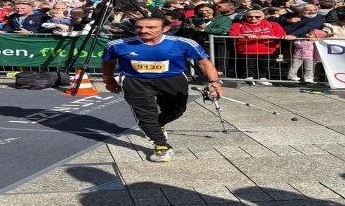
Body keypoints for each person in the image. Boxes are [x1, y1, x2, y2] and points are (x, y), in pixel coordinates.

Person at [101, 17, 223, 163]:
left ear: (165, 28)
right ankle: (161, 145)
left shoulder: (183, 43)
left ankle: (159, 124)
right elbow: (108, 62)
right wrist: (108, 80)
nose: (144, 31)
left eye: (151, 27)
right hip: (135, 81)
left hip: (173, 79)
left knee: (176, 110)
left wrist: (214, 83)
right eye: (139, 27)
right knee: (146, 115)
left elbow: (203, 62)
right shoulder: (116, 45)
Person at [228, 9, 286, 86]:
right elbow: (232, 34)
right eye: (250, 16)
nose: (253, 18)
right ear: (246, 17)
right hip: (246, 49)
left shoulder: (272, 24)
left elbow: (281, 34)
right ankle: (248, 77)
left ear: (262, 17)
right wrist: (244, 35)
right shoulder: (238, 24)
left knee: (264, 65)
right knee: (248, 65)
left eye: (257, 16)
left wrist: (270, 36)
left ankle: (261, 78)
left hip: (267, 49)